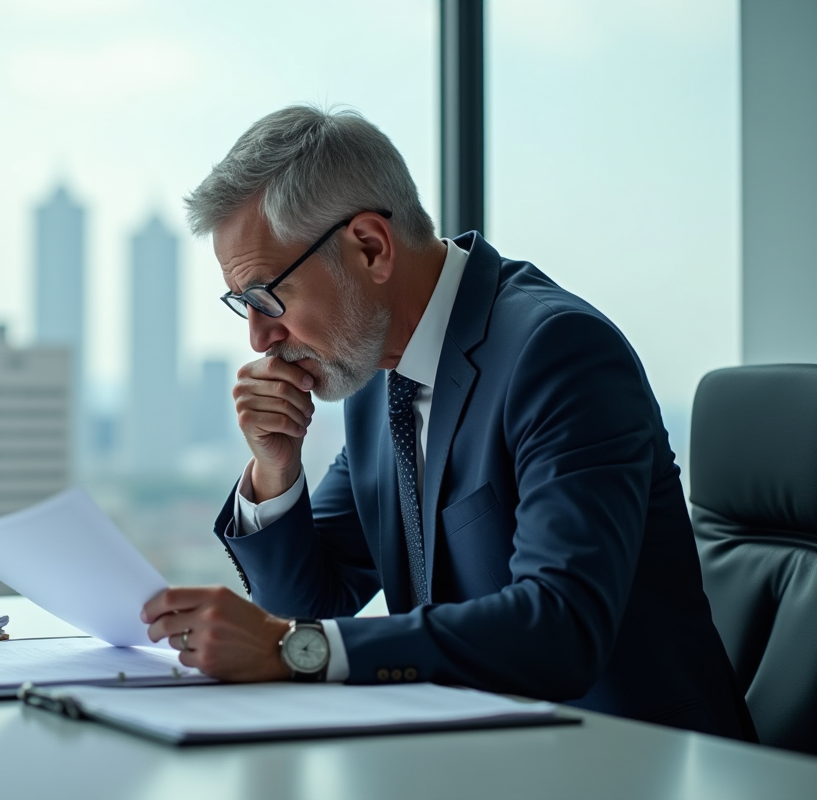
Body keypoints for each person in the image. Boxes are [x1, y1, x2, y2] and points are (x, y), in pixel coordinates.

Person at [140, 105, 754, 740]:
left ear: (371, 247)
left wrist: (291, 649)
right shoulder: (378, 379)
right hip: (472, 753)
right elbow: (309, 608)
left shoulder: (558, 352)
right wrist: (275, 468)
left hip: (633, 759)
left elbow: (560, 627)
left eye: (269, 297)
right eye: (242, 304)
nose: (258, 338)